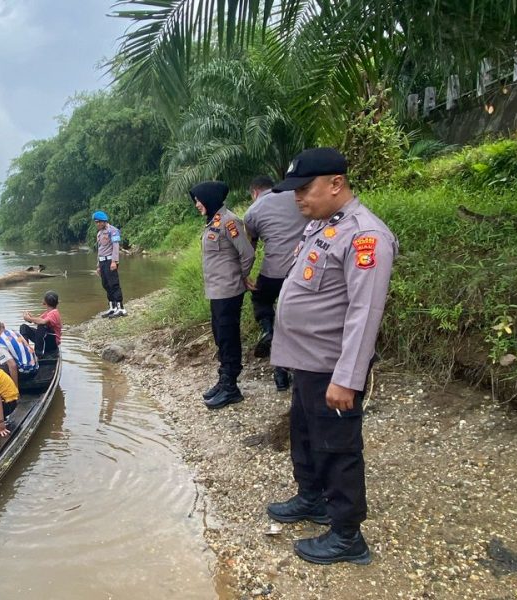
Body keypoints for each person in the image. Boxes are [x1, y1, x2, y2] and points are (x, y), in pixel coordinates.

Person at [266, 147, 397, 566]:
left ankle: (346, 535)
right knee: (305, 436)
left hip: (331, 366)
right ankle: (312, 498)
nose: (297, 198)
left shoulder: (365, 236)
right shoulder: (323, 226)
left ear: (336, 183)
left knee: (338, 448)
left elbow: (365, 312)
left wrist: (348, 378)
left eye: (305, 189)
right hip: (306, 361)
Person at [190, 181, 255, 409]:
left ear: (210, 198)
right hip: (216, 291)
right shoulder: (213, 221)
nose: (197, 204)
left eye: (199, 200)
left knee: (228, 337)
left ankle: (231, 388)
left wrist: (241, 277)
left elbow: (247, 254)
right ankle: (224, 378)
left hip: (229, 291)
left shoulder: (229, 221)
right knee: (220, 335)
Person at [242, 175, 309, 392]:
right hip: (305, 270)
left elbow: (249, 249)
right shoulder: (298, 196)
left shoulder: (252, 212)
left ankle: (268, 331)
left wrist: (244, 274)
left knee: (261, 299)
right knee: (296, 319)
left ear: (255, 192)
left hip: (274, 273)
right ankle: (296, 371)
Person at [0, 317, 39, 388]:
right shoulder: (14, 332)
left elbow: (12, 365)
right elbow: (28, 346)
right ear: (2, 325)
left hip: (25, 373)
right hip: (35, 367)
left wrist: (15, 387)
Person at [93, 210, 127, 318]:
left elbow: (116, 247)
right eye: (96, 222)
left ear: (104, 221)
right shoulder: (99, 233)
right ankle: (112, 307)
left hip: (110, 261)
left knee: (114, 284)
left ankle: (121, 308)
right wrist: (98, 265)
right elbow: (100, 250)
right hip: (102, 261)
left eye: (98, 222)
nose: (97, 224)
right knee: (106, 284)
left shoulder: (113, 231)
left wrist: (114, 261)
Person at [21, 290, 62, 356]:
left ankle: (39, 353)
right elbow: (37, 321)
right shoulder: (48, 312)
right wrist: (29, 317)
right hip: (46, 339)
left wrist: (29, 318)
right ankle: (26, 351)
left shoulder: (54, 313)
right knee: (24, 328)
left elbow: (42, 321)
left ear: (46, 301)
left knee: (42, 326)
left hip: (52, 342)